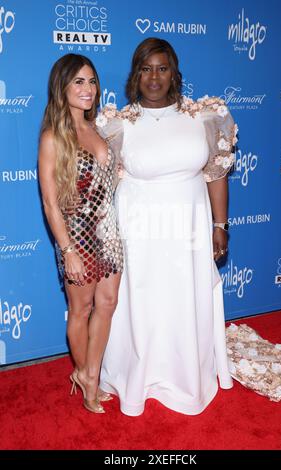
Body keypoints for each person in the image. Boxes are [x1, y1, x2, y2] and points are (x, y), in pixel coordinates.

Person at [97, 38, 238, 416]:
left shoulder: (206, 118)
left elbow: (216, 175)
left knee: (184, 299)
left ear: (174, 73)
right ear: (135, 75)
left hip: (189, 228)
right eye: (146, 69)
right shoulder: (116, 125)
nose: (154, 77)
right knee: (142, 302)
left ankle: (186, 375)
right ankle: (136, 373)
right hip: (139, 229)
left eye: (162, 68)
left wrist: (219, 225)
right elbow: (100, 186)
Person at [38, 54, 123, 414]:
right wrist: (68, 249)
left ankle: (91, 373)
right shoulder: (53, 136)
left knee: (107, 304)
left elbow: (102, 182)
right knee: (81, 308)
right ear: (62, 87)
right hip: (77, 236)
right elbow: (49, 202)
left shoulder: (99, 128)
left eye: (91, 81)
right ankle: (86, 375)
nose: (88, 89)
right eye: (78, 82)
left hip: (109, 232)